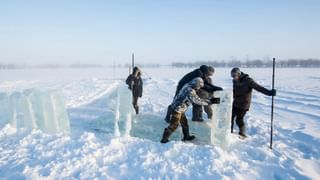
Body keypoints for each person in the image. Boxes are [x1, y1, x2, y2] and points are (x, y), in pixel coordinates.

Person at [160, 78, 221, 143]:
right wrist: (211, 101)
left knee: (184, 123)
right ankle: (164, 139)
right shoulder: (190, 91)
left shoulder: (187, 85)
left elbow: (197, 97)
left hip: (179, 108)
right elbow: (198, 101)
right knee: (174, 124)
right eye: (199, 86)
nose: (199, 88)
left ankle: (186, 136)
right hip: (177, 109)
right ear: (196, 85)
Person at [230, 67, 276, 138]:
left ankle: (242, 134)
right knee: (230, 117)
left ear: (239, 74)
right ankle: (229, 132)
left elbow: (258, 88)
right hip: (235, 102)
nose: (233, 77)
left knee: (239, 119)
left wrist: (269, 93)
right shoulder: (234, 81)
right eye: (232, 76)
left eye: (234, 75)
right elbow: (234, 91)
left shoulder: (248, 80)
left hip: (244, 104)